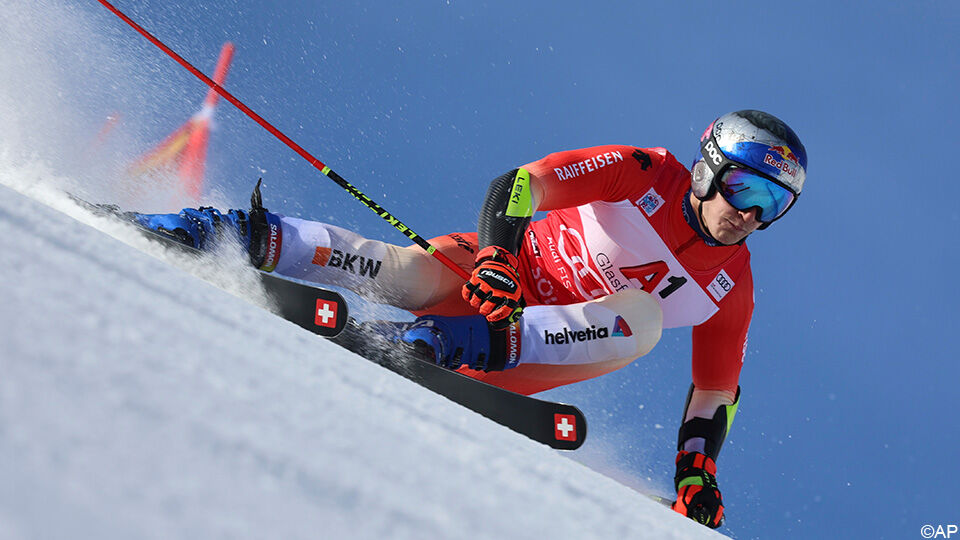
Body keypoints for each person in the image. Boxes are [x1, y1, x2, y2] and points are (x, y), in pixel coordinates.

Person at [132, 109, 807, 529]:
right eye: (745, 186)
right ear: (707, 168)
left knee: (645, 323)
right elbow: (520, 183)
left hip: (516, 357)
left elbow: (716, 389)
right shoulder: (646, 172)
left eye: (772, 205)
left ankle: (446, 347)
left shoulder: (733, 285)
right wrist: (497, 258)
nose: (748, 213)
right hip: (490, 289)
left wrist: (697, 472)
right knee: (401, 272)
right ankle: (225, 234)